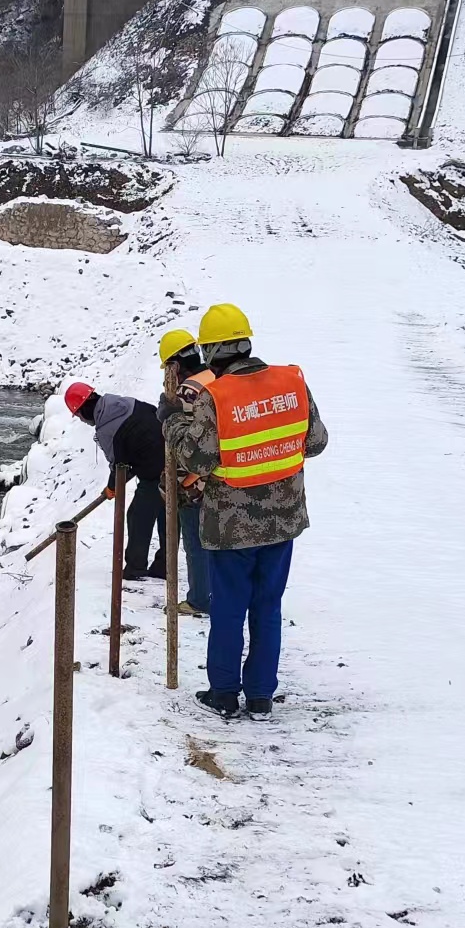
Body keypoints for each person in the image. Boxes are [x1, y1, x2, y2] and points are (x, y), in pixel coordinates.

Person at [161, 304, 327, 718]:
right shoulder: (292, 383)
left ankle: (223, 694)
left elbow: (198, 459)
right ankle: (259, 697)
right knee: (268, 607)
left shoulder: (215, 397)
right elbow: (316, 442)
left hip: (231, 525)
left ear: (214, 351)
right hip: (283, 519)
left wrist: (172, 423)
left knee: (230, 609)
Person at [64, 381, 166, 581]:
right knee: (167, 516)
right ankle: (163, 566)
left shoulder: (106, 429)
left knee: (138, 516)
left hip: (155, 471)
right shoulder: (120, 403)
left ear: (82, 411)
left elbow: (120, 465)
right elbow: (135, 442)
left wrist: (112, 487)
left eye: (78, 416)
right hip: (173, 458)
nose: (81, 421)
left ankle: (135, 568)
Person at [158, 329, 213, 616]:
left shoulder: (186, 392)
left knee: (195, 542)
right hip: (224, 477)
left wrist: (178, 483)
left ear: (174, 365)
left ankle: (199, 598)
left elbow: (185, 445)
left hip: (195, 483)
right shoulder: (218, 378)